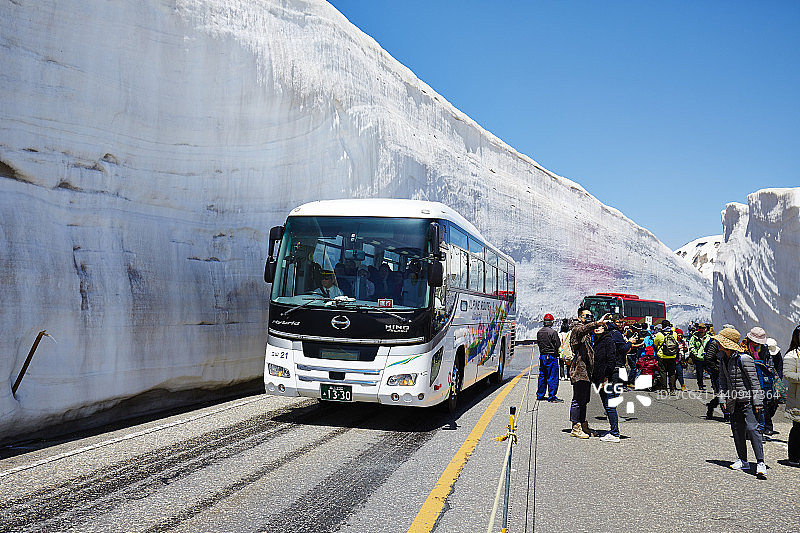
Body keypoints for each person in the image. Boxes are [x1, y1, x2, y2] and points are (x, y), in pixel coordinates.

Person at [716, 327, 766, 477]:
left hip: (748, 401)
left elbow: (754, 382)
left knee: (752, 429)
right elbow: (722, 382)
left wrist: (758, 402)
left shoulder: (744, 359)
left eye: (720, 342)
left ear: (726, 344)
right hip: (734, 401)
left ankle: (760, 462)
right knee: (737, 430)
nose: (718, 344)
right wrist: (722, 399)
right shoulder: (723, 359)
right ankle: (743, 460)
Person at [568, 308, 610, 438]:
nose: (589, 318)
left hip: (586, 371)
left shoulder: (587, 332)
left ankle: (583, 424)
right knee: (578, 400)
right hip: (579, 371)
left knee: (584, 400)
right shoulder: (577, 329)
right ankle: (575, 427)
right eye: (586, 316)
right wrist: (597, 323)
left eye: (591, 316)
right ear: (580, 317)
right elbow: (583, 329)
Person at [592, 320, 621, 442]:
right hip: (601, 378)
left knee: (610, 406)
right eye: (596, 326)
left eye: (600, 327)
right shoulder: (597, 340)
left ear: (605, 328)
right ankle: (613, 430)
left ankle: (615, 433)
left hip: (608, 378)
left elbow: (611, 360)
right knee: (606, 405)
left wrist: (606, 377)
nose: (597, 328)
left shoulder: (608, 340)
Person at [783, 324, 800, 467]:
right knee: (798, 429)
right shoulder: (792, 355)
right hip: (797, 399)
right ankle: (794, 456)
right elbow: (787, 374)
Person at [536, 314, 562, 402]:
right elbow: (558, 344)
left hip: (542, 355)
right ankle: (552, 396)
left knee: (542, 375)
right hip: (551, 356)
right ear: (551, 323)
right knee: (552, 376)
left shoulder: (539, 332)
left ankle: (540, 395)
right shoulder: (553, 332)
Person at [704, 327, 724, 419]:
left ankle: (712, 406)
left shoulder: (730, 344)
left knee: (726, 393)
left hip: (727, 372)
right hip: (718, 373)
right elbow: (709, 358)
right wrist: (716, 369)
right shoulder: (715, 343)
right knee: (722, 392)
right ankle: (726, 413)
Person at [654, 320, 679, 393]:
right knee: (672, 373)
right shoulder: (674, 334)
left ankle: (664, 389)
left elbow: (655, 344)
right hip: (672, 356)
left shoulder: (659, 334)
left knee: (663, 373)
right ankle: (672, 389)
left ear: (662, 326)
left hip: (662, 356)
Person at [689, 323, 710, 391]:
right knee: (699, 373)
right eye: (700, 328)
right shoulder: (694, 337)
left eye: (703, 328)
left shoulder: (708, 337)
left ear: (705, 329)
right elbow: (691, 345)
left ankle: (714, 385)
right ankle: (700, 385)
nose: (701, 330)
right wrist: (696, 354)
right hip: (698, 358)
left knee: (711, 372)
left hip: (707, 357)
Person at [675, 328, 688, 392]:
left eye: (681, 335)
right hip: (675, 360)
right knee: (679, 373)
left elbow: (686, 350)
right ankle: (682, 385)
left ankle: (673, 385)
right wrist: (678, 348)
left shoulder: (682, 342)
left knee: (678, 373)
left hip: (681, 360)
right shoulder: (674, 342)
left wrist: (685, 349)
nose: (679, 337)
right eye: (678, 335)